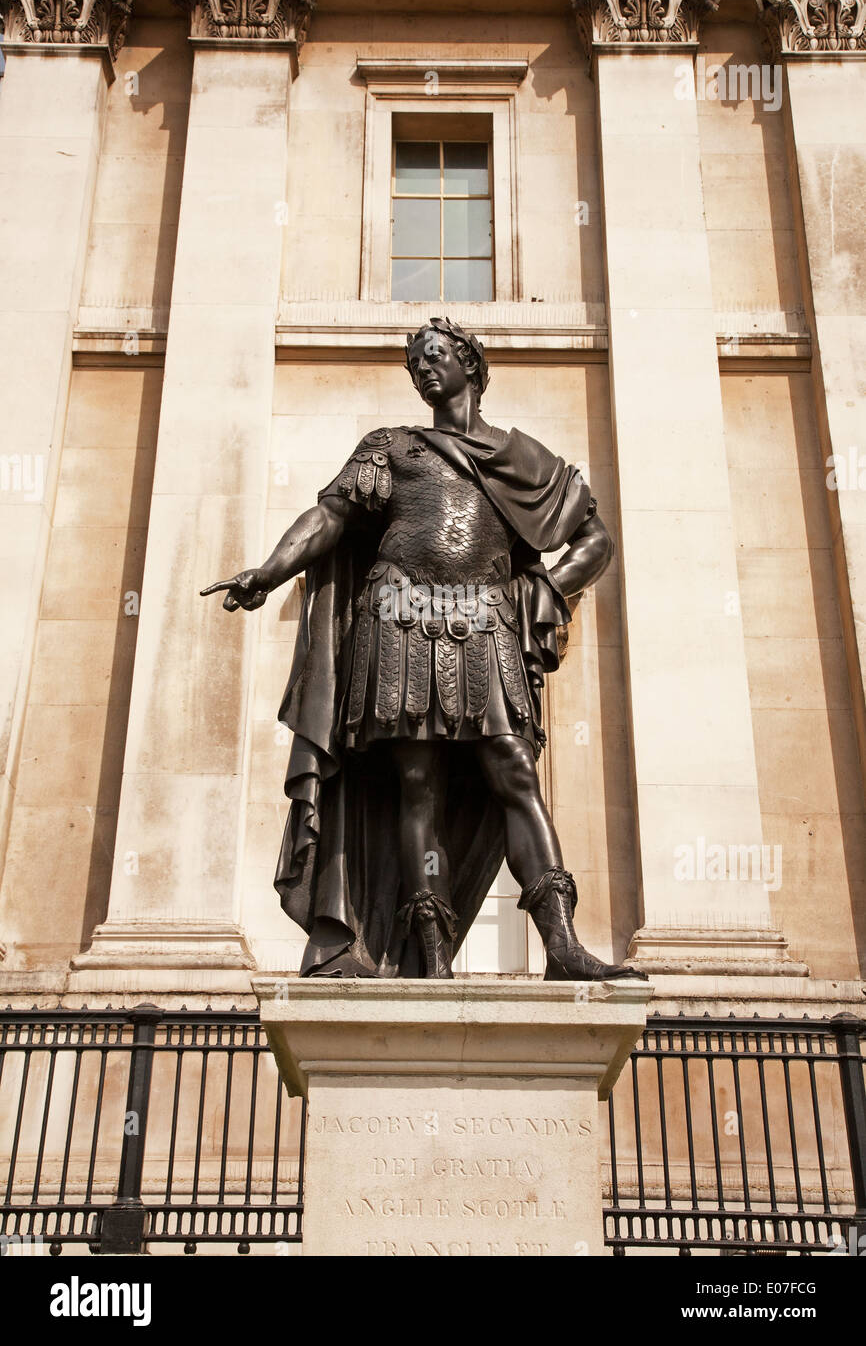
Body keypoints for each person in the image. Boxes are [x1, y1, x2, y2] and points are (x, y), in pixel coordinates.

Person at [202, 318, 645, 983]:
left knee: (513, 769)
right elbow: (331, 517)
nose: (422, 369)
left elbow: (596, 541)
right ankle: (429, 955)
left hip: (484, 621)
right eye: (414, 363)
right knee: (415, 783)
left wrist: (545, 591)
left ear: (471, 363)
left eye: (434, 356)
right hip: (399, 618)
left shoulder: (523, 458)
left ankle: (562, 945)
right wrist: (267, 571)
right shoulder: (390, 447)